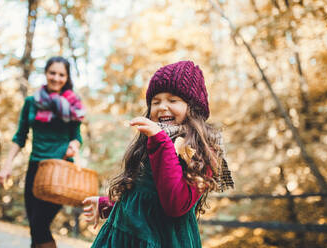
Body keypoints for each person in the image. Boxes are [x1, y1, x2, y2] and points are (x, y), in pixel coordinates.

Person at [83, 61, 234, 247]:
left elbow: (175, 205)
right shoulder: (151, 141)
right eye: (156, 102)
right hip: (127, 237)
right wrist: (109, 205)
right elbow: (146, 197)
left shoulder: (200, 150)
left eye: (172, 100)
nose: (162, 107)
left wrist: (161, 143)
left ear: (193, 107)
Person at [0, 56, 85, 248]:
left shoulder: (72, 105)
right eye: (52, 73)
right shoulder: (32, 102)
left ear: (67, 77)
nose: (56, 78)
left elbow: (76, 137)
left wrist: (74, 146)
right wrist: (7, 165)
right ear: (46, 73)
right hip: (35, 168)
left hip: (60, 171)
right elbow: (20, 136)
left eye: (61, 74)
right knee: (34, 228)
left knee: (39, 225)